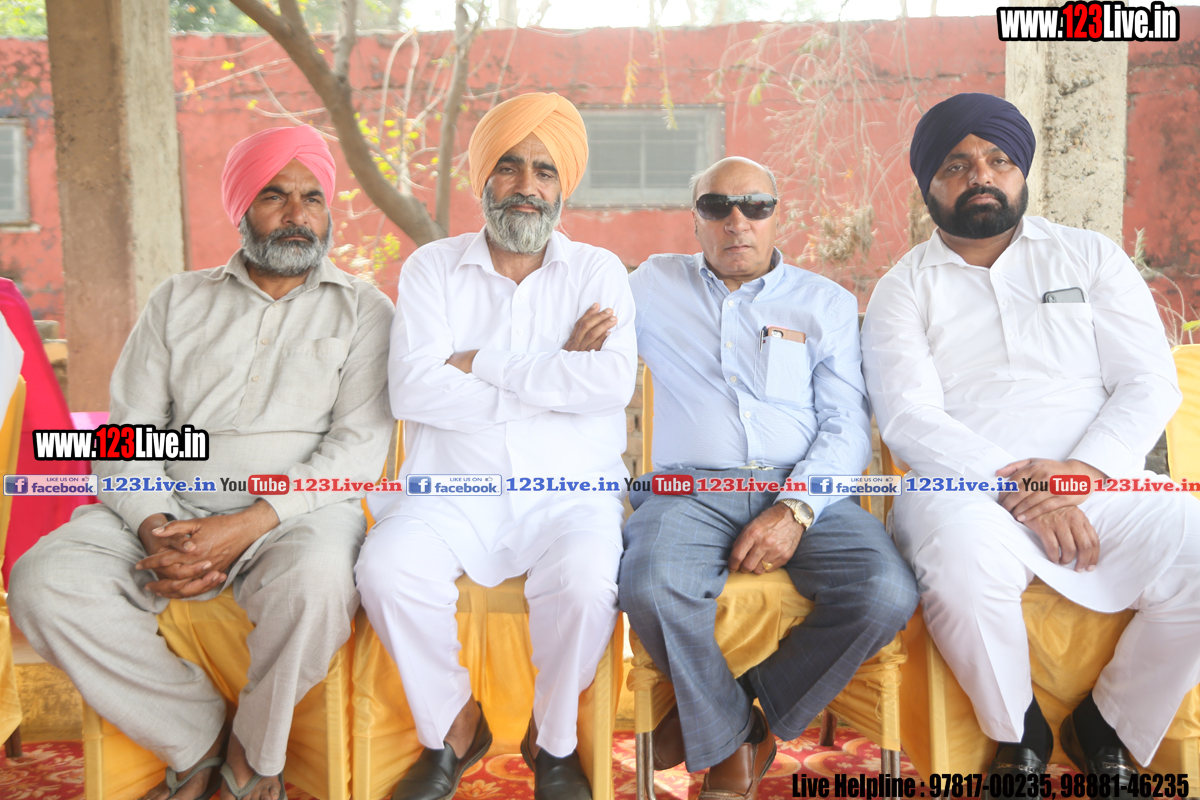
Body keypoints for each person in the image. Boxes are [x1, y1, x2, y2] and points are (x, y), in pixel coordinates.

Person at [9, 126, 393, 800]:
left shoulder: (365, 309)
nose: (297, 214)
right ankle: (197, 736)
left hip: (295, 515)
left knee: (318, 582)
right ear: (242, 207)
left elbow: (358, 451)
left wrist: (247, 523)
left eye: (312, 198)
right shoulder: (177, 299)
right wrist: (155, 525)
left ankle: (253, 757)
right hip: (170, 504)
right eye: (274, 196)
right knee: (43, 581)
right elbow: (128, 433)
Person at [861, 92, 1200, 789]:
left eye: (998, 161)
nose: (980, 176)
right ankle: (1020, 732)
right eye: (956, 165)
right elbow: (909, 418)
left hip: (1098, 480)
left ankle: (1109, 726)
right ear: (929, 183)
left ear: (1021, 172)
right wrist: (1022, 485)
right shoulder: (903, 288)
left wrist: (1078, 475)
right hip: (966, 490)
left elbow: (1148, 382)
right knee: (959, 562)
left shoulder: (1090, 257)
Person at [355, 92, 636, 800]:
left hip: (571, 495)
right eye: (508, 167)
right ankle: (454, 724)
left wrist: (479, 361)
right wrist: (556, 372)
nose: (525, 185)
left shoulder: (598, 271)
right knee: (385, 571)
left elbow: (608, 385)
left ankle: (554, 740)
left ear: (563, 187)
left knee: (586, 584)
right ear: (483, 178)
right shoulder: (431, 268)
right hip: (450, 491)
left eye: (544, 170)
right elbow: (413, 393)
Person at [618, 156, 919, 800]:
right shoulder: (649, 286)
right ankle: (733, 739)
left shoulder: (825, 303)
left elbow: (846, 427)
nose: (737, 221)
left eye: (755, 206)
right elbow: (568, 300)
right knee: (649, 584)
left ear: (777, 215)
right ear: (695, 219)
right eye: (717, 206)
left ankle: (738, 716)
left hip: (804, 491)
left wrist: (797, 508)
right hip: (690, 491)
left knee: (885, 592)